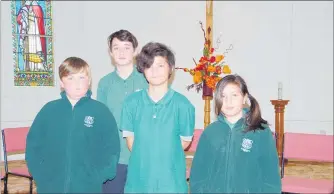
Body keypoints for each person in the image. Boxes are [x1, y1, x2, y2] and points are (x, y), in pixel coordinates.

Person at [25, 57, 120, 193]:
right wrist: (40, 175)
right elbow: (34, 146)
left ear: (89, 81)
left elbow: (111, 149)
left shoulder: (101, 111)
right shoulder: (49, 110)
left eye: (81, 77)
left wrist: (100, 175)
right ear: (61, 83)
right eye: (70, 78)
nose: (77, 83)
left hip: (87, 186)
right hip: (51, 186)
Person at [120, 42, 195, 193]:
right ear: (143, 70)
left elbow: (184, 142)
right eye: (149, 65)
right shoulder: (131, 103)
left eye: (160, 65)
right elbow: (131, 142)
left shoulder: (183, 105)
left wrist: (162, 158)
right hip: (139, 182)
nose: (154, 71)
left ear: (171, 68)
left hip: (171, 183)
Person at [189, 74, 282, 193]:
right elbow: (198, 175)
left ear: (244, 98)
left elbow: (271, 177)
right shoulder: (210, 132)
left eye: (234, 95)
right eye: (223, 96)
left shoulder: (260, 131)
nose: (229, 101)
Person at [97, 29, 148, 193]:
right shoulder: (104, 84)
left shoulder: (147, 79)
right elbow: (102, 122)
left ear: (134, 51)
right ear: (110, 53)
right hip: (114, 159)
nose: (121, 52)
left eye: (126, 47)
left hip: (142, 157)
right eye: (116, 47)